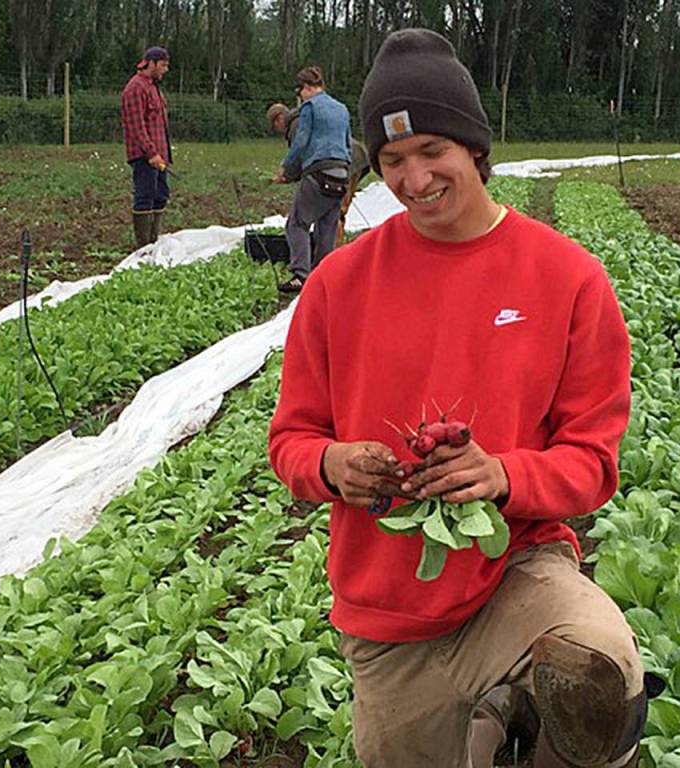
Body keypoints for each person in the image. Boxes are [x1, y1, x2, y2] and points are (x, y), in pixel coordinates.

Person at [268, 28, 649, 768]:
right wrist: (332, 465)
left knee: (600, 668)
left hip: (514, 575)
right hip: (386, 612)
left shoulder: (567, 278)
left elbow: (593, 463)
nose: (414, 179)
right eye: (393, 160)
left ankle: (521, 728)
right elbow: (291, 440)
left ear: (475, 147)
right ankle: (490, 731)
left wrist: (502, 474)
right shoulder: (339, 284)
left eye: (432, 151)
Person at [271, 66, 352, 293]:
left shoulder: (310, 107)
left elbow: (301, 142)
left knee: (297, 223)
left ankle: (300, 275)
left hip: (318, 172)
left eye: (299, 92)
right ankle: (323, 274)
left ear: (306, 87)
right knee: (327, 226)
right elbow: (347, 143)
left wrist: (285, 169)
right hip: (342, 174)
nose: (300, 97)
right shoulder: (342, 109)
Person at [267, 102, 372, 244]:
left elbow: (300, 157)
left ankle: (334, 250)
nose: (278, 130)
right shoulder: (304, 118)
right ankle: (335, 246)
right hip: (353, 157)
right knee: (337, 209)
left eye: (275, 126)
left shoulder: (296, 125)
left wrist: (286, 176)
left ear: (279, 118)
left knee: (335, 211)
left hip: (343, 161)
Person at [121, 46, 171, 250]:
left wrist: (162, 155)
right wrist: (151, 153)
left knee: (160, 195)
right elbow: (136, 126)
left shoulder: (153, 87)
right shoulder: (136, 88)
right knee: (145, 196)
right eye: (163, 65)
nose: (166, 70)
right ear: (151, 63)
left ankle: (154, 241)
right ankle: (144, 247)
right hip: (145, 156)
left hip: (159, 155)